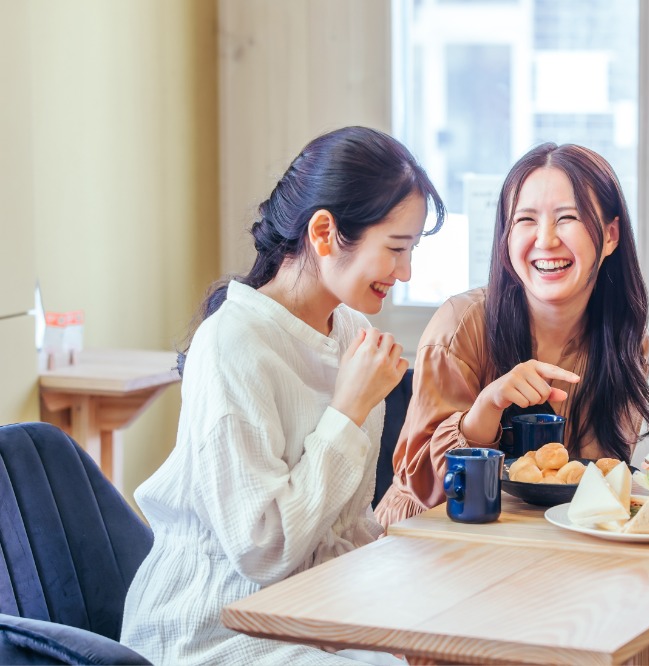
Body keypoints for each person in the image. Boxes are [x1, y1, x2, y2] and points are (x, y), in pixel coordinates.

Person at [120, 126, 445, 664]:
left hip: (312, 610)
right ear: (324, 233)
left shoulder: (350, 333)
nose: (405, 272)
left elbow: (342, 524)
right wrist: (348, 410)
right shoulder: (231, 344)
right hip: (213, 624)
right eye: (395, 249)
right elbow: (263, 550)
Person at [375, 142, 649, 528]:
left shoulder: (624, 337)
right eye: (525, 220)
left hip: (537, 542)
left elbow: (592, 485)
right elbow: (428, 488)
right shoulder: (461, 325)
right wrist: (487, 407)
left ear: (611, 235)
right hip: (426, 541)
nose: (545, 240)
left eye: (567, 218)